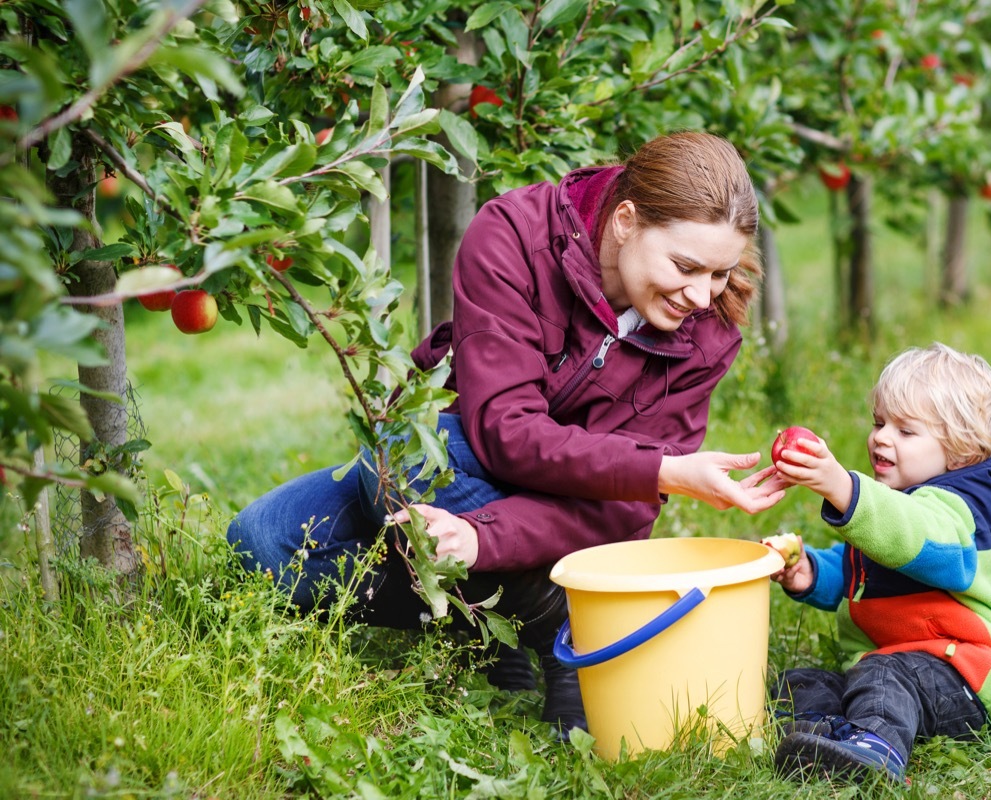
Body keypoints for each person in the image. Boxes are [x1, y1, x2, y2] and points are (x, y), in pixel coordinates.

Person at [227, 131, 789, 740]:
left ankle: (537, 622)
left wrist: (483, 536)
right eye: (685, 267)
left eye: (719, 273)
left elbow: (620, 514)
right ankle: (531, 622)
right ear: (626, 220)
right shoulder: (515, 235)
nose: (701, 295)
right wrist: (657, 470)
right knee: (270, 538)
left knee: (400, 473)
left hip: (570, 517)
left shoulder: (704, 332)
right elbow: (503, 429)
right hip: (469, 462)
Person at [764, 342, 991, 784]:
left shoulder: (960, 512)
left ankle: (874, 751)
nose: (881, 437)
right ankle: (824, 738)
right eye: (879, 423)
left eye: (906, 431)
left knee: (881, 675)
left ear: (959, 453)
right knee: (803, 681)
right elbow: (866, 567)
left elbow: (914, 539)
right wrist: (811, 573)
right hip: (899, 667)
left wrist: (845, 488)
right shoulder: (897, 507)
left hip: (966, 677)